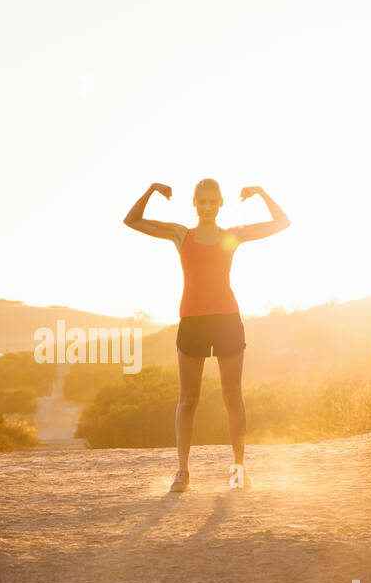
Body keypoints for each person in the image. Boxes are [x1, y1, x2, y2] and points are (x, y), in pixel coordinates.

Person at [123, 179, 290, 491]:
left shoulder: (232, 236)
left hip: (227, 320)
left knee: (232, 397)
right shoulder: (181, 235)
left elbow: (281, 222)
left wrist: (262, 193)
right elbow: (131, 220)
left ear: (221, 203)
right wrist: (151, 191)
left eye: (213, 202)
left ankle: (239, 469)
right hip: (192, 321)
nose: (208, 207)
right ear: (195, 204)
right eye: (202, 202)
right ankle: (182, 472)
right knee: (188, 400)